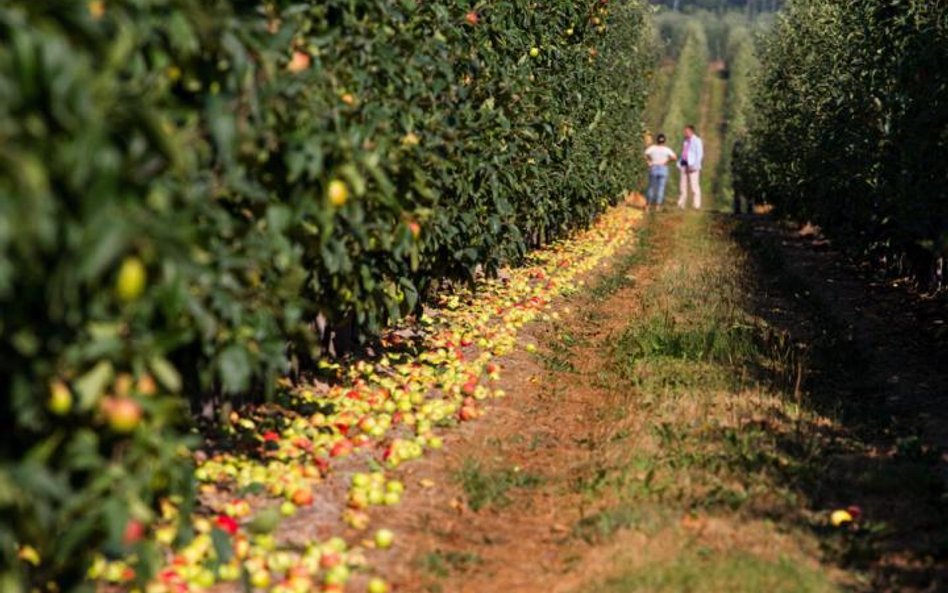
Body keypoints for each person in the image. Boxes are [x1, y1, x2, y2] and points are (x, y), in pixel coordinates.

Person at [644, 133, 677, 212]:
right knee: (661, 189)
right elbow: (674, 157)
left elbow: (645, 154)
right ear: (664, 141)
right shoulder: (667, 149)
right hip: (663, 168)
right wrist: (667, 161)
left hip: (654, 167)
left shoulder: (652, 148)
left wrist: (649, 162)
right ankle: (657, 207)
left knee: (651, 187)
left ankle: (647, 206)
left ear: (657, 140)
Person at [677, 125, 704, 209]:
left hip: (693, 165)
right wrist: (679, 163)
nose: (685, 133)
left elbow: (699, 154)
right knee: (682, 186)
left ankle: (696, 205)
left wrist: (695, 165)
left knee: (694, 186)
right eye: (685, 131)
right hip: (684, 164)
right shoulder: (685, 141)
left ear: (691, 131)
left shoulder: (697, 141)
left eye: (687, 131)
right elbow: (684, 153)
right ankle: (681, 204)